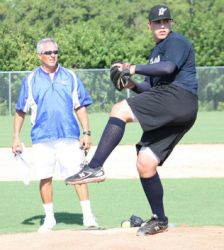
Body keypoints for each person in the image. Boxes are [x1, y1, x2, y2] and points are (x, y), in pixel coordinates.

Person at [65, 4, 198, 236]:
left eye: (166, 21)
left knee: (119, 110)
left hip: (179, 98)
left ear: (171, 23)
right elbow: (152, 90)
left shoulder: (175, 42)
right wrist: (132, 84)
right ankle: (160, 219)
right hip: (176, 108)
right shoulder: (154, 52)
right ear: (149, 25)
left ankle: (94, 167)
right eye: (157, 22)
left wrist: (133, 67)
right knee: (145, 163)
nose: (162, 25)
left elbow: (168, 68)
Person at [12, 38, 98, 232]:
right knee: (45, 177)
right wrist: (16, 137)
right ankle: (49, 219)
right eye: (48, 52)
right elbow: (20, 110)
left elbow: (81, 106)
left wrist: (86, 132)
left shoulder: (71, 76)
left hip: (69, 135)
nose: (53, 55)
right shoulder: (31, 80)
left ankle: (88, 216)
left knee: (78, 176)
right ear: (39, 55)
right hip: (42, 137)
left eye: (55, 52)